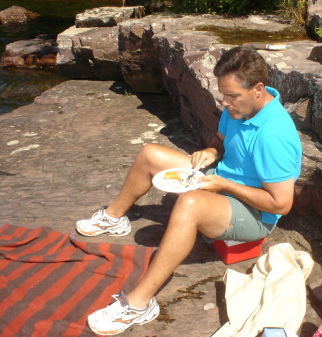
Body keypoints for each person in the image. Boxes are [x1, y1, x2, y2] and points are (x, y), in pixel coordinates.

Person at [76, 46, 302, 336]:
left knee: (190, 203)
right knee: (150, 155)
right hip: (221, 181)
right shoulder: (241, 106)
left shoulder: (274, 135)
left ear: (258, 89)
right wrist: (210, 150)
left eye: (232, 96)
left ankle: (138, 303)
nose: (226, 102)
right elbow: (219, 141)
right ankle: (113, 216)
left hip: (256, 214)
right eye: (223, 94)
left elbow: (281, 205)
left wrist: (224, 185)